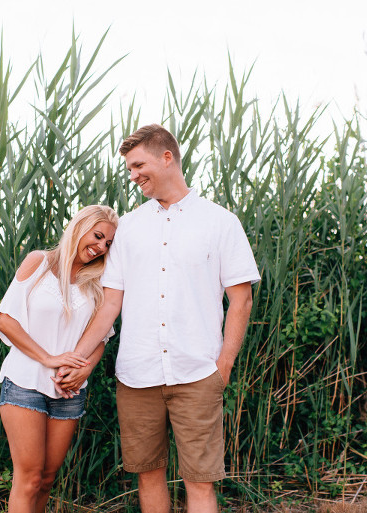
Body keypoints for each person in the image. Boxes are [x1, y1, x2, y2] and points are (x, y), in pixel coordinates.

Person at [54, 124, 260, 513]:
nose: (133, 176)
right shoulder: (128, 227)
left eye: (138, 165)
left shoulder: (220, 222)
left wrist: (224, 366)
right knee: (148, 475)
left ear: (167, 158)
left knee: (200, 480)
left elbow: (241, 301)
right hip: (137, 374)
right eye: (129, 169)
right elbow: (110, 306)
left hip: (198, 372)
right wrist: (77, 359)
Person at [0, 204, 118, 513]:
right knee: (30, 479)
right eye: (98, 236)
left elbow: (101, 338)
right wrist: (48, 358)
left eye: (108, 244)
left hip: (69, 390)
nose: (100, 247)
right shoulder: (39, 262)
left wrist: (84, 368)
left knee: (47, 479)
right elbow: (5, 320)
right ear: (80, 227)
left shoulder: (100, 282)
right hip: (25, 382)